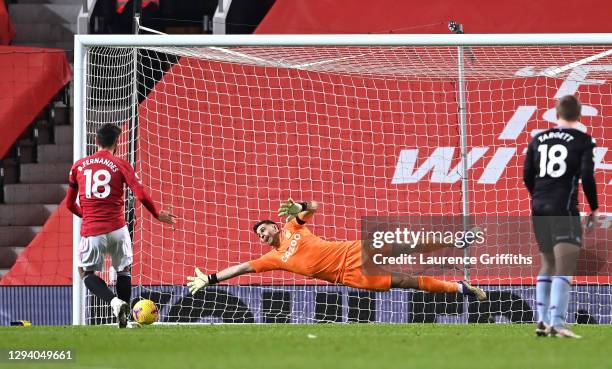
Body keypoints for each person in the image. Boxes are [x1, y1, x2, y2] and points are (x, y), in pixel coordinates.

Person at [187, 199, 486, 303]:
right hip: (349, 277)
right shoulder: (271, 259)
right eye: (259, 236)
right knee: (407, 281)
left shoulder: (293, 226)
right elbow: (240, 269)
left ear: (276, 225)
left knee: (406, 245)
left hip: (353, 251)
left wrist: (299, 207)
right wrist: (211, 279)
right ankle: (460, 288)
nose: (262, 236)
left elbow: (315, 207)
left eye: (264, 230)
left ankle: (456, 240)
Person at [65, 123, 177, 328]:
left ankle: (114, 303)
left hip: (92, 231)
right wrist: (157, 214)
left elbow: (69, 204)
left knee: (86, 273)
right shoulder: (121, 164)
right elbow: (141, 194)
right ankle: (125, 318)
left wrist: (87, 214)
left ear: (96, 141)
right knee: (123, 270)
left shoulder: (78, 166)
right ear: (117, 142)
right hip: (118, 229)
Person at [524, 95, 599, 338]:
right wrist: (594, 208)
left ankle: (542, 320)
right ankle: (555, 323)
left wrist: (539, 196)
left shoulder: (538, 139)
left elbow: (527, 174)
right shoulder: (582, 140)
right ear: (579, 115)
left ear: (556, 114)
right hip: (563, 208)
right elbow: (587, 176)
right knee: (565, 265)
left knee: (548, 263)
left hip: (538, 206)